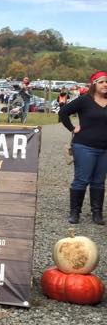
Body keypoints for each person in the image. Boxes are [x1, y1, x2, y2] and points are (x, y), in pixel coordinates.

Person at [58, 70, 107, 224]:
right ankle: (75, 213)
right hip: (84, 146)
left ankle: (97, 213)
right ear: (93, 84)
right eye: (101, 82)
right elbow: (63, 112)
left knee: (99, 181)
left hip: (105, 149)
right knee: (81, 179)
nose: (105, 85)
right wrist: (72, 128)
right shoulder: (84, 100)